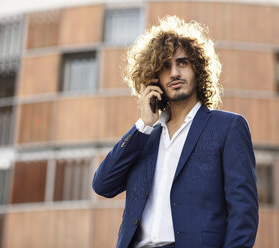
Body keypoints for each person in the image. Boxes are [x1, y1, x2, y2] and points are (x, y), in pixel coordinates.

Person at [92, 16, 258, 248]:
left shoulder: (228, 128)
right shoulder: (145, 136)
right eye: (165, 66)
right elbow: (103, 185)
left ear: (197, 69)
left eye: (182, 63)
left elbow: (243, 212)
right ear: (154, 78)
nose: (174, 73)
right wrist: (143, 125)